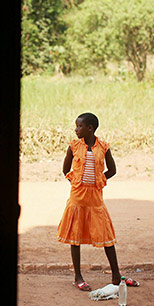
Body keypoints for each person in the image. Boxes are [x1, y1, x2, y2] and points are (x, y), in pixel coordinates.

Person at [56, 112, 138, 291]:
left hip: (96, 199)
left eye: (79, 126)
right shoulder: (74, 146)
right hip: (77, 198)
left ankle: (116, 275)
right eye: (76, 126)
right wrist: (78, 182)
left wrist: (99, 181)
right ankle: (78, 276)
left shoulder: (103, 147)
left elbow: (112, 170)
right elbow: (65, 169)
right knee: (75, 236)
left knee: (106, 236)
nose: (76, 129)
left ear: (90, 128)